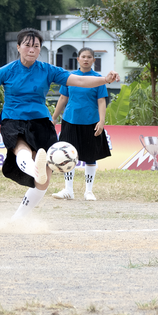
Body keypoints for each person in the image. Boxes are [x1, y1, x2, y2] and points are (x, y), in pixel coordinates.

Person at [0, 28, 119, 220]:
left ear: (40, 49)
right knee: (21, 147)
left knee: (44, 181)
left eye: (36, 46)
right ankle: (33, 168)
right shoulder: (6, 71)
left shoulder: (48, 70)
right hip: (13, 119)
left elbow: (80, 80)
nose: (32, 49)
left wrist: (104, 79)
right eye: (27, 45)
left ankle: (17, 219)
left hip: (41, 121)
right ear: (18, 47)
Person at [50, 47, 110, 201]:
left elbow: (101, 100)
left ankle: (88, 191)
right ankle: (68, 190)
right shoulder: (70, 77)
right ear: (78, 59)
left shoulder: (98, 79)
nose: (86, 59)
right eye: (83, 56)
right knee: (67, 156)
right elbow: (63, 98)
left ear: (93, 60)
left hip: (91, 122)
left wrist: (102, 121)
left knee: (91, 156)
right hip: (70, 120)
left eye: (89, 57)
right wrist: (54, 117)